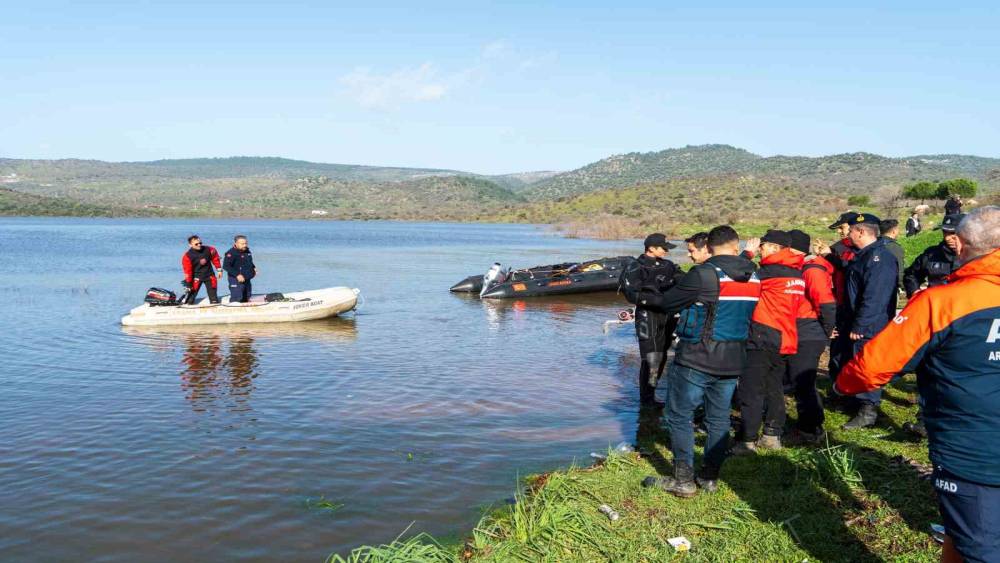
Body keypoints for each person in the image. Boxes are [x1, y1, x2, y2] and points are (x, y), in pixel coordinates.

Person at [835, 206, 1000, 563]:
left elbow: (872, 366)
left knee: (982, 548)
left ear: (962, 245)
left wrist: (842, 384)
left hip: (974, 452)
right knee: (962, 535)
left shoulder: (943, 302)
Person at [639, 225, 760, 497]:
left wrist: (649, 293)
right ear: (736, 245)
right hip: (734, 358)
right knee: (719, 418)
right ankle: (709, 477)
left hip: (698, 357)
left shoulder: (704, 274)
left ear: (709, 247)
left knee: (678, 415)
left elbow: (668, 303)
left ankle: (683, 480)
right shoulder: (754, 275)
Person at [732, 230, 805, 454]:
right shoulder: (796, 273)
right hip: (786, 336)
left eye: (762, 245)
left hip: (762, 336)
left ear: (774, 248)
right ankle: (772, 435)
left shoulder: (768, 273)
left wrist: (747, 254)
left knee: (751, 389)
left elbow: (735, 275)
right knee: (774, 387)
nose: (760, 249)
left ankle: (747, 440)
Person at [837, 213, 899, 429]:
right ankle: (855, 401)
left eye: (851, 231)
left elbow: (875, 296)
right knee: (855, 360)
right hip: (857, 319)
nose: (848, 235)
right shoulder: (863, 256)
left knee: (868, 364)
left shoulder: (879, 258)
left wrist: (861, 324)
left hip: (871, 323)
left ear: (861, 231)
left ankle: (868, 409)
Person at [783, 230, 836, 445]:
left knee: (803, 381)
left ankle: (811, 428)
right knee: (795, 379)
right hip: (799, 328)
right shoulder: (800, 268)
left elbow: (825, 302)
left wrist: (826, 331)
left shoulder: (811, 270)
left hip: (808, 329)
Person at [620, 233, 679, 409]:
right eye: (663, 248)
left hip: (667, 315)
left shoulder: (669, 265)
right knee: (651, 357)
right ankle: (646, 399)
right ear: (651, 248)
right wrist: (658, 299)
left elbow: (683, 280)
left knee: (662, 355)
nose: (666, 251)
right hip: (648, 315)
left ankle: (651, 393)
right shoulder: (635, 267)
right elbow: (631, 294)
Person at [817, 211, 859, 379]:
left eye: (842, 227)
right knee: (838, 346)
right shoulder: (838, 247)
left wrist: (829, 256)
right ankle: (836, 381)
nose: (840, 232)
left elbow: (851, 269)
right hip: (840, 302)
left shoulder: (865, 249)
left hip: (856, 304)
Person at [903, 214, 964, 298]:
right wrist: (914, 292)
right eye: (945, 232)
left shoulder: (975, 255)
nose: (947, 238)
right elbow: (911, 275)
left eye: (952, 233)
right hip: (936, 303)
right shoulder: (931, 254)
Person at [182, 235, 222, 304]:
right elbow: (188, 271)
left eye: (200, 243)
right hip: (196, 277)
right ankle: (188, 302)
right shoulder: (187, 256)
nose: (199, 245)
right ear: (190, 245)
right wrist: (188, 284)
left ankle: (214, 302)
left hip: (210, 276)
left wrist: (219, 270)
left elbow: (215, 258)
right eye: (196, 244)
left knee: (214, 300)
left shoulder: (209, 249)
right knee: (189, 301)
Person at [223, 234, 258, 303]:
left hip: (247, 278)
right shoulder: (231, 253)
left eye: (246, 243)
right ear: (236, 243)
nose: (245, 245)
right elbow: (226, 266)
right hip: (235, 279)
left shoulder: (247, 251)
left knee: (247, 297)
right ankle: (233, 307)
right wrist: (237, 275)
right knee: (237, 297)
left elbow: (249, 261)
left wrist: (254, 268)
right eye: (242, 244)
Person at [879, 219, 905, 291]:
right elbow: (899, 269)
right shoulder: (894, 247)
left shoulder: (872, 244)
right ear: (894, 231)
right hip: (888, 287)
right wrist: (903, 285)